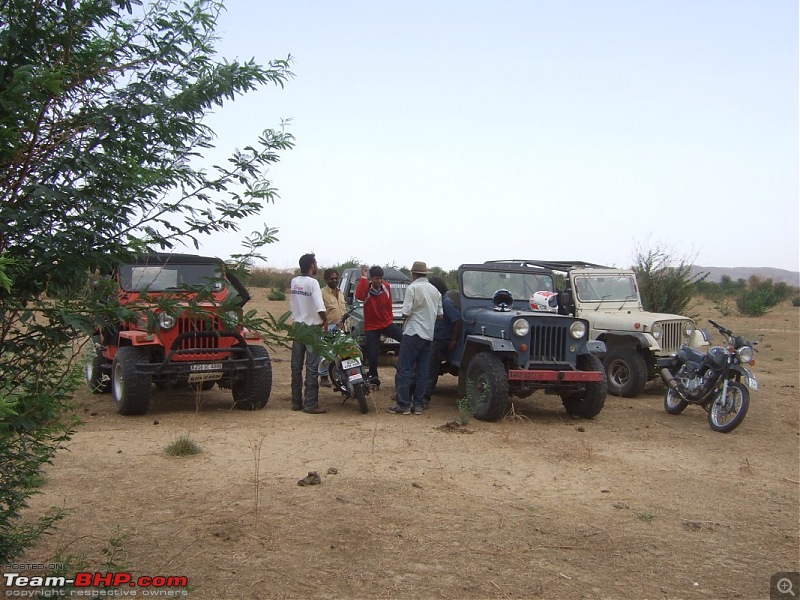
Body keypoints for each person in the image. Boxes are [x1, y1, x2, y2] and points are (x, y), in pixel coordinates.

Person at [389, 261, 442, 415]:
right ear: (425, 274)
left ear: (413, 274)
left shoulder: (412, 288)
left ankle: (403, 404)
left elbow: (405, 312)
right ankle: (418, 404)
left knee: (405, 368)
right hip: (428, 334)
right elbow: (440, 316)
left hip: (413, 333)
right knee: (423, 370)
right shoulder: (435, 291)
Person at [289, 253, 328, 414]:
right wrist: (325, 321)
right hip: (312, 329)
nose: (317, 265)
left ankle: (296, 402)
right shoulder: (313, 283)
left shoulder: (294, 281)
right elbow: (320, 307)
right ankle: (310, 404)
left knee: (296, 366)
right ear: (312, 265)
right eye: (315, 263)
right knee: (312, 367)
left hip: (297, 327)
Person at [354, 264, 403, 387]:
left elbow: (389, 304)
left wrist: (389, 318)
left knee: (405, 340)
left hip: (386, 323)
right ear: (372, 279)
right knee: (372, 354)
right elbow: (359, 296)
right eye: (376, 278)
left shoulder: (386, 287)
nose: (379, 281)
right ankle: (373, 377)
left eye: (381, 278)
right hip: (371, 326)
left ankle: (402, 366)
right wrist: (363, 277)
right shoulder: (366, 289)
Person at [423, 277, 462, 408]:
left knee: (430, 368)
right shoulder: (440, 300)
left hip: (440, 339)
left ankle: (425, 398)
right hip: (434, 336)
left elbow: (457, 320)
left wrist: (453, 340)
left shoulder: (445, 302)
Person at [319, 268, 346, 388]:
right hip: (329, 327)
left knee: (341, 353)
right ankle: (323, 376)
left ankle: (340, 377)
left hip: (342, 327)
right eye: (332, 278)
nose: (334, 280)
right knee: (327, 353)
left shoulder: (340, 292)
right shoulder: (322, 293)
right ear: (326, 279)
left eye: (336, 278)